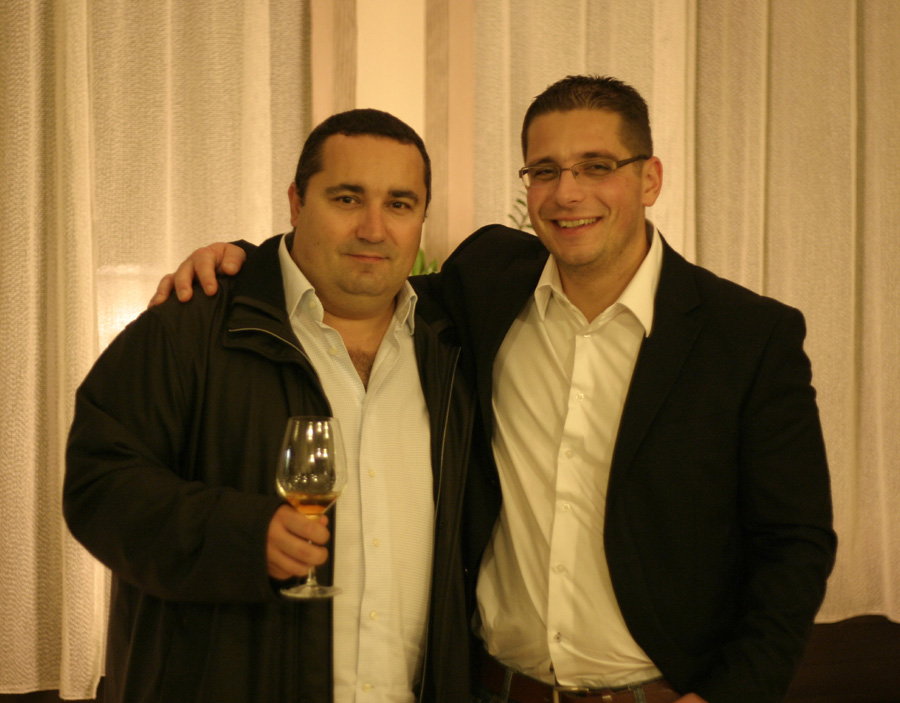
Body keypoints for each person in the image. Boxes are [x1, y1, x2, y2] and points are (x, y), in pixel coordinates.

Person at [156, 76, 836, 703]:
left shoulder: (748, 336)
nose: (567, 193)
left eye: (597, 166)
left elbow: (795, 543)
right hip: (493, 689)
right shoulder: (486, 282)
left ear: (650, 178)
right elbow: (360, 272)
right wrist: (245, 263)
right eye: (545, 170)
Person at [64, 108, 483, 703]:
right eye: (347, 199)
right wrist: (239, 535)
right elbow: (97, 485)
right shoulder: (192, 326)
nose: (373, 228)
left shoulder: (454, 347)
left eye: (399, 204)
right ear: (296, 203)